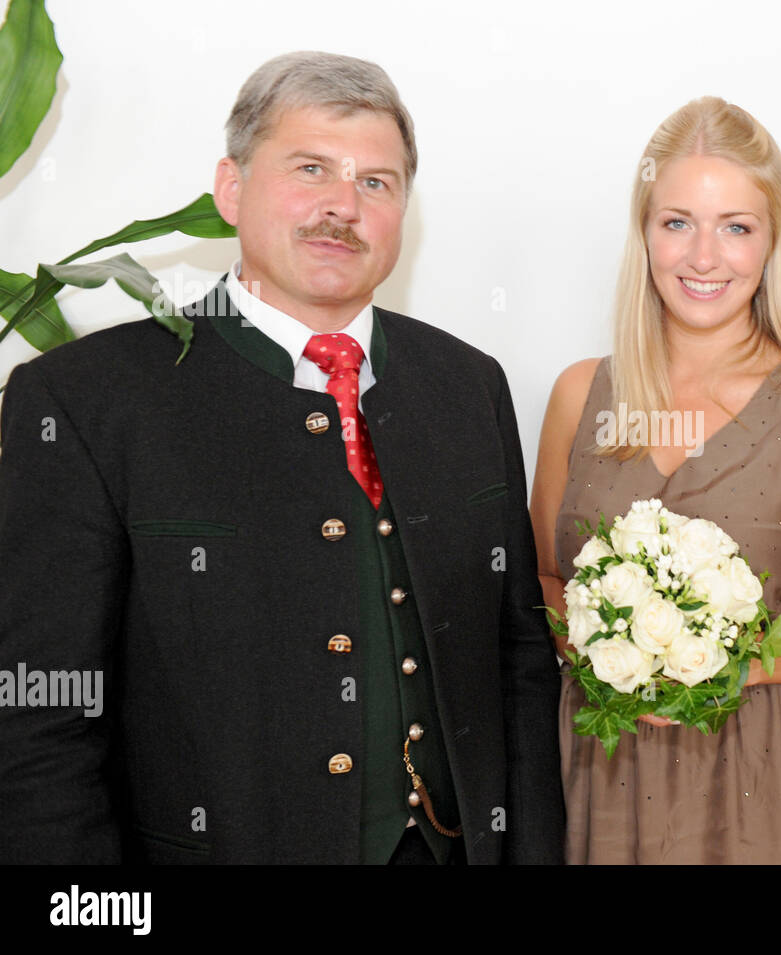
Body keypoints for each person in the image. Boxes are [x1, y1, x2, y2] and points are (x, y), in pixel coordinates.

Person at [0, 52, 564, 864]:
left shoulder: (467, 384)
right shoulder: (88, 398)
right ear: (230, 188)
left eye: (377, 182)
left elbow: (519, 662)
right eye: (311, 169)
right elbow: (40, 719)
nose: (343, 206)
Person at [529, 96, 781, 864]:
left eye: (736, 226)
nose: (704, 255)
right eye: (677, 222)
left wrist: (717, 669)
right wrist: (612, 651)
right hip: (607, 760)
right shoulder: (578, 394)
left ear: (772, 243)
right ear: (644, 234)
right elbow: (546, 577)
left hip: (767, 768)